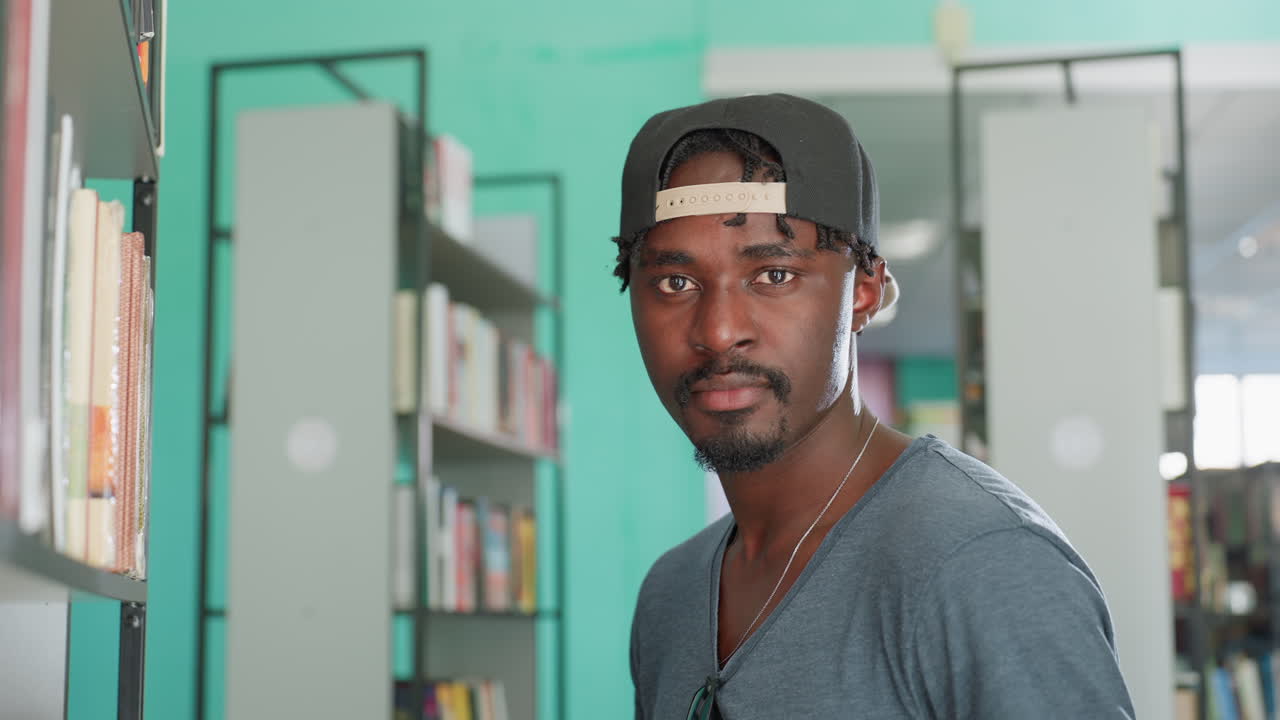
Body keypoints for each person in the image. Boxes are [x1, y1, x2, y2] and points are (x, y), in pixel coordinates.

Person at [613, 94, 1135, 719]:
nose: (720, 331)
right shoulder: (671, 593)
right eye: (676, 283)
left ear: (863, 292)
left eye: (774, 275)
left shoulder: (980, 564)